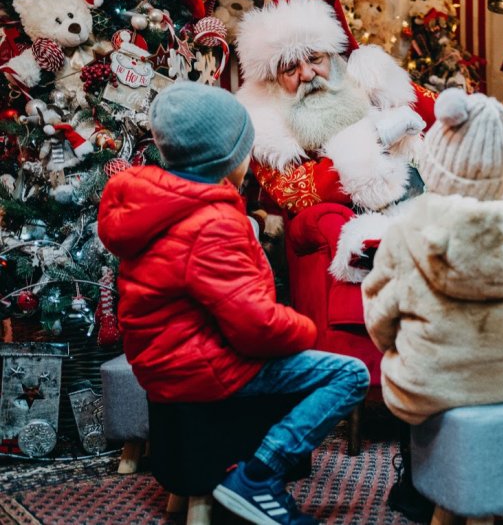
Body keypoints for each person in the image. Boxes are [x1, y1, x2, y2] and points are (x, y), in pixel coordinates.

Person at [97, 82, 369, 525]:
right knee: (347, 374)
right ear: (228, 157)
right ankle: (258, 477)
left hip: (164, 363)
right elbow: (255, 325)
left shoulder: (150, 203)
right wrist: (304, 329)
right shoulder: (212, 222)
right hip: (206, 369)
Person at [362, 87, 503, 424]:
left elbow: (380, 315)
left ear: (436, 157)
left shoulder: (408, 231)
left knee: (406, 383)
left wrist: (405, 348)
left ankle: (414, 467)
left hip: (425, 386)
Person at [235, 0, 434, 282]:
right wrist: (376, 138)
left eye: (315, 59)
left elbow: (446, 114)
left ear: (333, 56)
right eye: (291, 68)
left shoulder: (372, 83)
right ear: (274, 79)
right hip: (349, 232)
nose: (307, 74)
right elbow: (296, 195)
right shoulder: (266, 130)